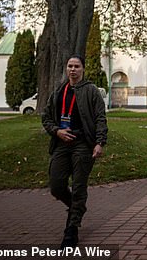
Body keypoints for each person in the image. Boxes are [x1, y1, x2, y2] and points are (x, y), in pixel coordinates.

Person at [41, 54, 108, 248]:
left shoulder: (91, 91)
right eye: (70, 66)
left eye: (77, 66)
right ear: (66, 69)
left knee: (79, 186)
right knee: (56, 185)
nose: (73, 69)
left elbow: (100, 118)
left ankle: (72, 229)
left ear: (83, 69)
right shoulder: (59, 91)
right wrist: (57, 131)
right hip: (61, 144)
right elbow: (46, 118)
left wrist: (99, 142)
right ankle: (76, 207)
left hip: (82, 144)